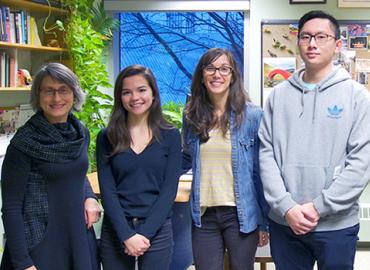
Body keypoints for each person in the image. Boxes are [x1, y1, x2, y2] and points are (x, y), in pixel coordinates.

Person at [258, 10, 370, 270]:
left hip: (336, 225)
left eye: (321, 36)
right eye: (306, 36)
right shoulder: (278, 96)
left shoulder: (357, 97)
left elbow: (361, 162)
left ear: (337, 45)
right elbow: (266, 154)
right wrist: (287, 207)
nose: (312, 43)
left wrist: (319, 207)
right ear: (298, 42)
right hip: (286, 223)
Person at [1, 63, 101, 270]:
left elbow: (77, 173)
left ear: (74, 93)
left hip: (77, 237)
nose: (56, 98)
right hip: (39, 243)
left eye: (63, 90)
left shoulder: (79, 133)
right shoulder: (23, 143)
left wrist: (89, 196)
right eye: (49, 91)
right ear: (38, 95)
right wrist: (23, 263)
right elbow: (11, 208)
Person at [182, 48, 269, 270]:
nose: (216, 74)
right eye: (210, 68)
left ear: (233, 76)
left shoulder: (252, 116)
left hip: (240, 214)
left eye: (224, 69)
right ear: (202, 76)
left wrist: (263, 221)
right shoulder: (191, 115)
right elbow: (185, 159)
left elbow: (259, 172)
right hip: (204, 216)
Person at [96, 65, 181, 270]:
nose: (135, 97)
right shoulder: (107, 137)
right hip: (117, 228)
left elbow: (169, 191)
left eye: (141, 89)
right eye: (127, 92)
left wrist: (143, 234)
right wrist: (126, 235)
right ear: (120, 97)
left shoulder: (170, 135)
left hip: (157, 229)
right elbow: (107, 191)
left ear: (153, 93)